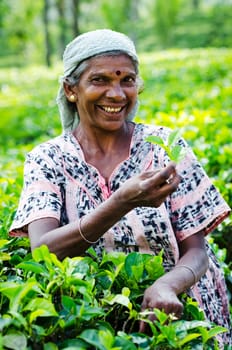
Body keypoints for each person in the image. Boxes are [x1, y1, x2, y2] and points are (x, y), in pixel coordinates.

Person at [10, 29, 231, 347]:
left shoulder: (164, 148)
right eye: (99, 80)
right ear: (71, 90)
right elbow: (45, 250)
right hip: (97, 325)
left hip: (185, 318)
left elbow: (197, 250)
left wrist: (167, 286)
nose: (116, 94)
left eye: (127, 80)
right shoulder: (49, 159)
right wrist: (121, 202)